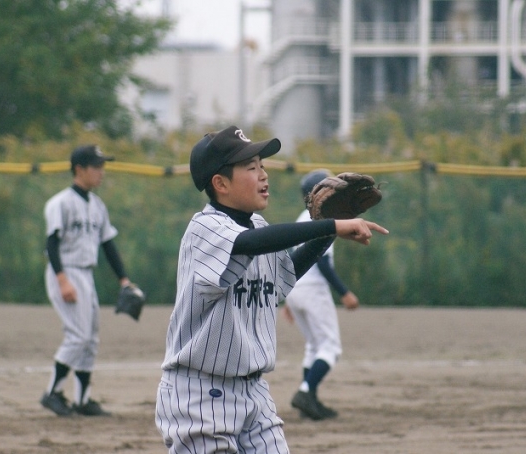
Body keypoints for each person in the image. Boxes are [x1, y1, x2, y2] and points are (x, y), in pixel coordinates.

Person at [154, 126, 388, 453]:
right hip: (201, 395)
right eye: (251, 168)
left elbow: (284, 276)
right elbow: (250, 243)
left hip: (255, 394)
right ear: (220, 184)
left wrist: (327, 233)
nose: (264, 175)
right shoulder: (204, 228)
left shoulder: (258, 227)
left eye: (262, 165)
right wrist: (330, 224)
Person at [40, 145, 134, 417]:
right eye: (96, 166)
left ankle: (82, 400)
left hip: (85, 275)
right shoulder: (60, 203)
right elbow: (51, 243)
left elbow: (108, 245)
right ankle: (52, 393)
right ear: (79, 169)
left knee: (90, 339)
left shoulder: (97, 206)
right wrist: (62, 280)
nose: (101, 172)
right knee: (78, 336)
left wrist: (124, 280)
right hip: (65, 271)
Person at [282, 169, 360, 421]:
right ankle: (306, 392)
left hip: (295, 288)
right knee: (330, 347)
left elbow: (292, 257)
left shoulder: (301, 217)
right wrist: (344, 293)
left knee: (313, 346)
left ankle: (310, 403)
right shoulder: (322, 219)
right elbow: (323, 263)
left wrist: (287, 298)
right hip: (313, 289)